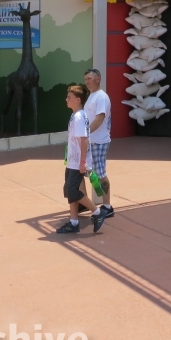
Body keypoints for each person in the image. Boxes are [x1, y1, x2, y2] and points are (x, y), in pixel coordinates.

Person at [57, 84, 107, 234]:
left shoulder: (79, 116)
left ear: (78, 100)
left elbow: (84, 139)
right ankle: (73, 222)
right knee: (69, 190)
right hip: (73, 161)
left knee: (72, 190)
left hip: (78, 162)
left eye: (69, 97)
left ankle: (97, 213)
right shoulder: (76, 115)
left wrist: (83, 162)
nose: (66, 99)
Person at [83, 68, 114, 219]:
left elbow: (99, 118)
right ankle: (92, 202)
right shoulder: (92, 96)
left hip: (99, 141)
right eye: (85, 79)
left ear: (98, 79)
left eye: (89, 78)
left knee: (100, 173)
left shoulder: (101, 97)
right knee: (91, 172)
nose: (87, 82)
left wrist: (85, 133)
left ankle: (107, 206)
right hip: (90, 140)